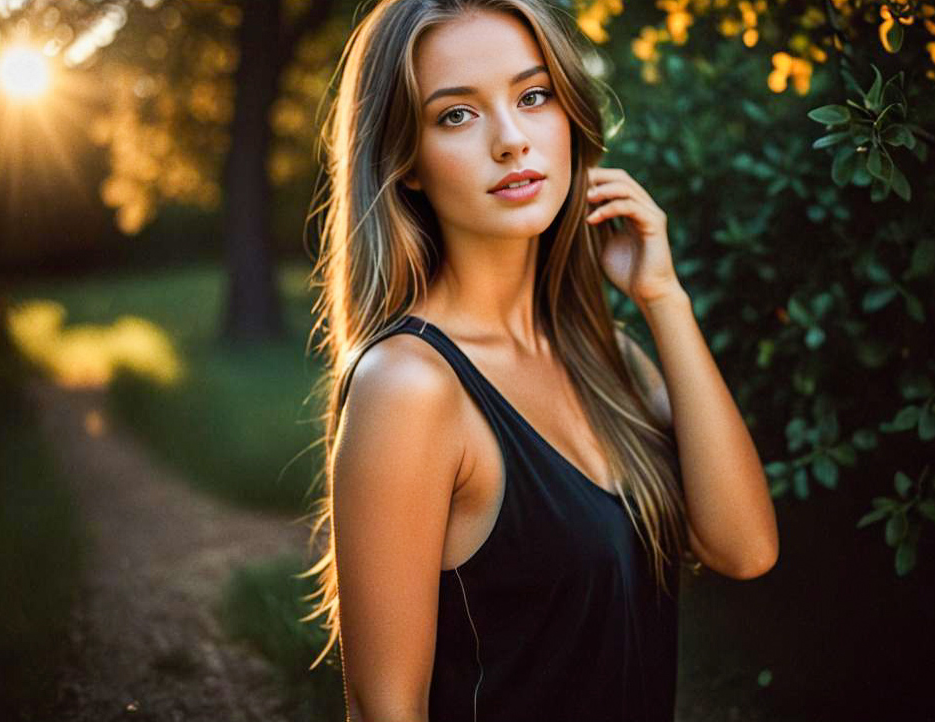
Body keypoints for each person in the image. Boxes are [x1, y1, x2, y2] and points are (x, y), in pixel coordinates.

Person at [296, 0, 780, 720]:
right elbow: (384, 708)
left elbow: (744, 549)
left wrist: (662, 297)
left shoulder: (608, 357)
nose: (512, 140)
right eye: (457, 114)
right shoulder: (409, 387)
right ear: (407, 164)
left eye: (533, 95)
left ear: (569, 114)